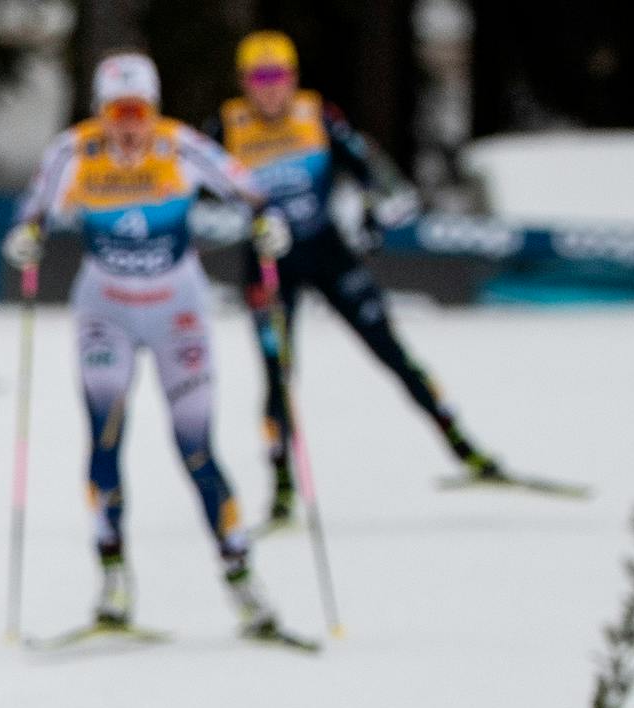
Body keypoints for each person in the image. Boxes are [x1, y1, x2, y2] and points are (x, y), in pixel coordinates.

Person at [2, 52, 298, 642]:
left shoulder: (180, 147)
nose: (129, 125)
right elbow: (32, 215)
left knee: (196, 448)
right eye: (118, 112)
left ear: (154, 111)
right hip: (105, 312)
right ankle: (113, 584)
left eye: (139, 112)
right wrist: (26, 238)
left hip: (177, 313)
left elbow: (250, 191)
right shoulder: (74, 151)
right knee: (105, 439)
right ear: (101, 112)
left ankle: (243, 583)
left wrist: (268, 224)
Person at [204, 30, 507, 523]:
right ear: (244, 83)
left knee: (391, 350)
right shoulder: (227, 126)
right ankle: (282, 487)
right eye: (259, 78)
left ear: (293, 77)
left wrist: (372, 212)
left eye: (278, 75)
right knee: (277, 372)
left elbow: (369, 169)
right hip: (267, 262)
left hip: (326, 250)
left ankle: (463, 446)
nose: (270, 88)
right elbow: (193, 183)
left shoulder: (315, 115)